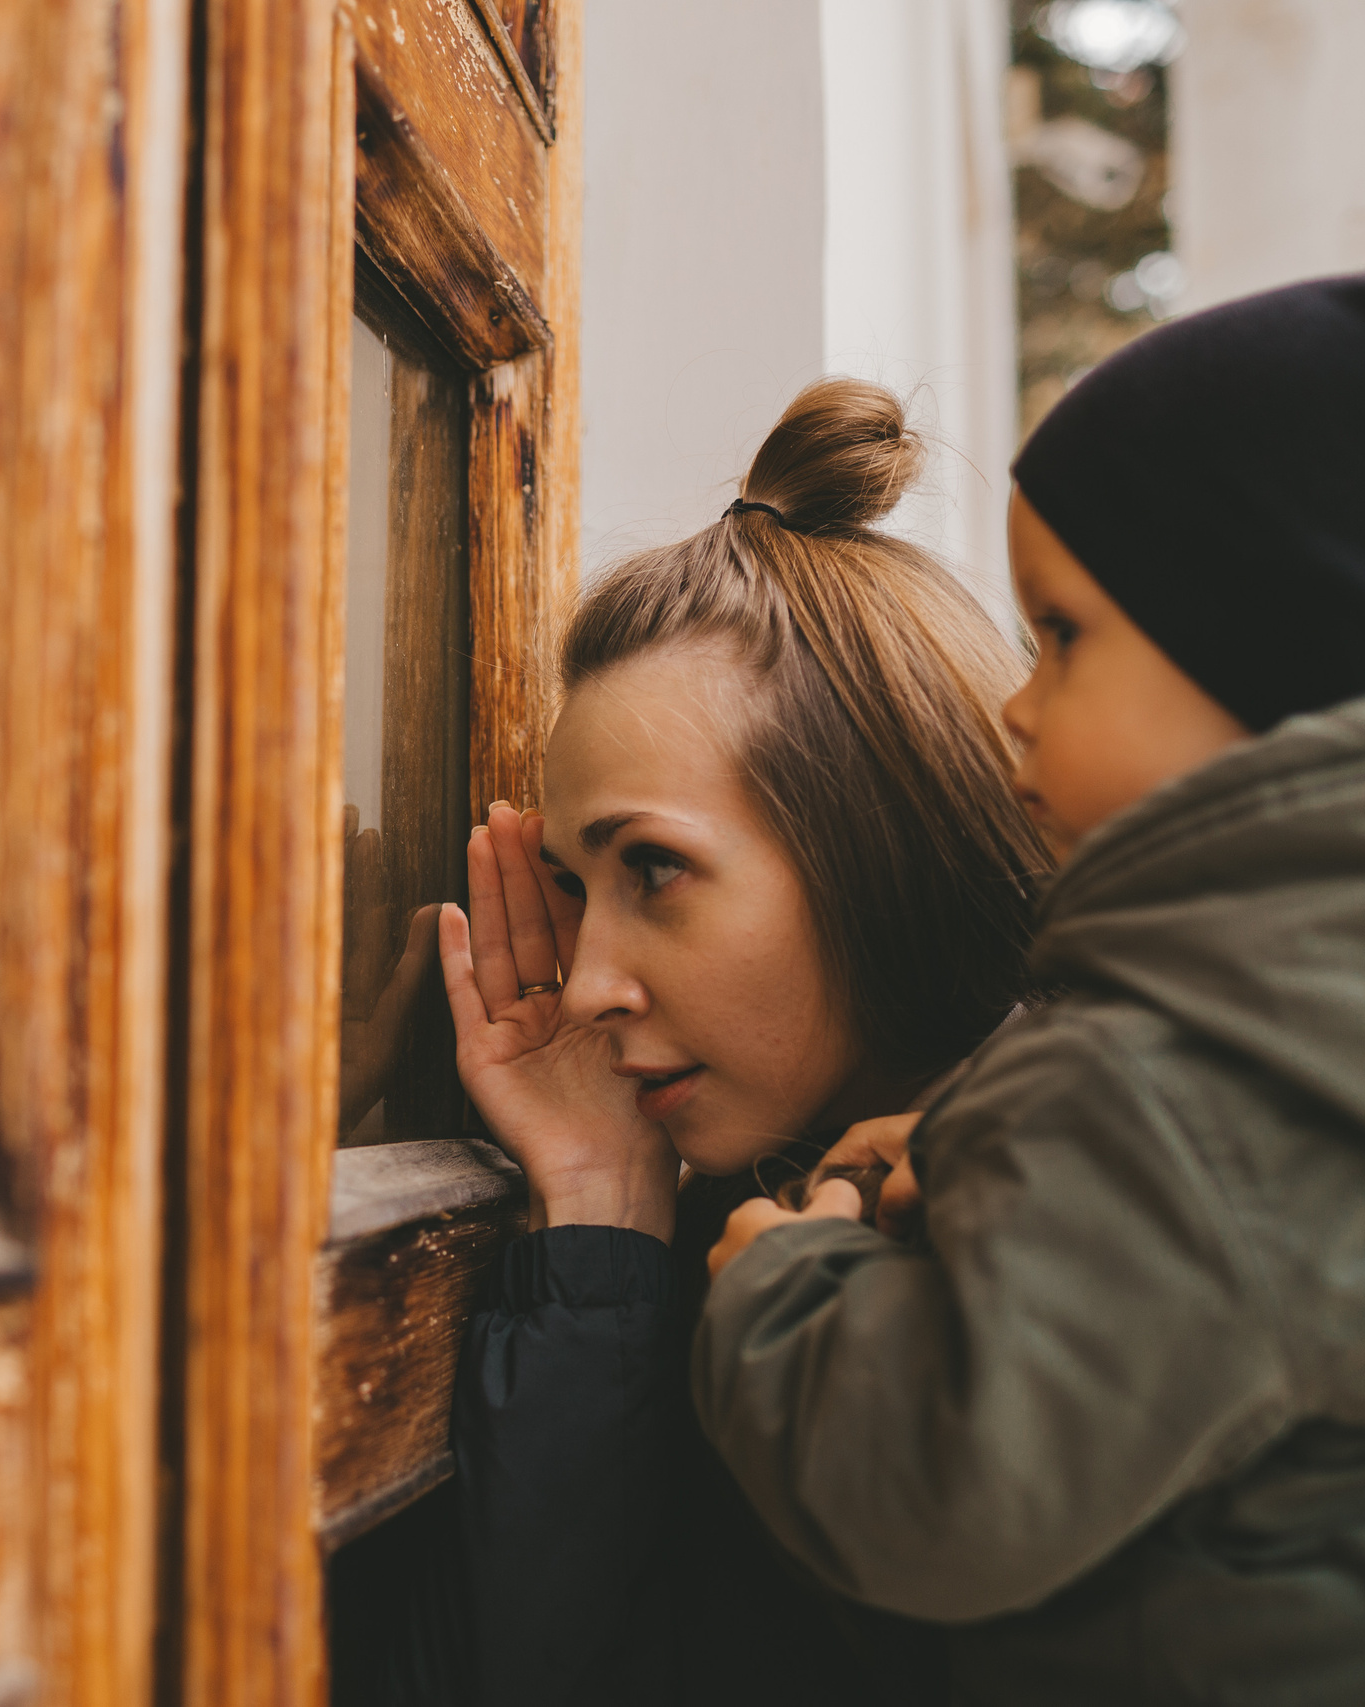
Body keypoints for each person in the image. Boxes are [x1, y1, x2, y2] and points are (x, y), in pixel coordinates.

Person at [699, 256, 1365, 1704]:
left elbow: (931, 1488)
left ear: (1287, 653)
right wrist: (997, 1157)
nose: (1014, 707)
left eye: (1063, 637)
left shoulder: (1170, 1077)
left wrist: (783, 1291)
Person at [341, 377, 1051, 1704]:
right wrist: (601, 1209)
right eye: (572, 887)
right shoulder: (749, 1216)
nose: (589, 987)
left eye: (654, 871)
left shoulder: (1082, 1236)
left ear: (878, 849)